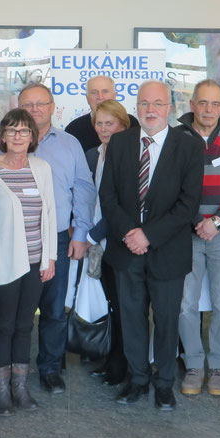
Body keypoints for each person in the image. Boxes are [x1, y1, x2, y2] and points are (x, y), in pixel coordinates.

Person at [99, 80, 204, 411]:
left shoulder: (188, 147)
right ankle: (138, 379)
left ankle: (163, 384)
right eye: (145, 103)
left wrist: (148, 235)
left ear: (170, 109)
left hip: (168, 251)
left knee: (167, 320)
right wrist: (130, 232)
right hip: (126, 248)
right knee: (130, 318)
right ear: (137, 107)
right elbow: (108, 195)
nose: (151, 110)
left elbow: (188, 205)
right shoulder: (119, 143)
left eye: (158, 104)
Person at [0, 109, 58, 415]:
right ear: (3, 136)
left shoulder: (42, 167)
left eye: (24, 131)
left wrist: (50, 258)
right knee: (3, 326)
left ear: (33, 137)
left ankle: (20, 388)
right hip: (4, 262)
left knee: (24, 325)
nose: (18, 137)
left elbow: (50, 215)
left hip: (35, 262)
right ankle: (1, 389)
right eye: (12, 131)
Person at [18, 82, 95, 393]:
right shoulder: (5, 142)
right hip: (15, 240)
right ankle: (13, 368)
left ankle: (50, 368)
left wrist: (81, 232)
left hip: (59, 238)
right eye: (29, 104)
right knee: (17, 310)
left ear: (53, 107)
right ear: (20, 106)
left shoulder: (69, 143)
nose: (35, 109)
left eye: (41, 103)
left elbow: (84, 188)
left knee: (53, 309)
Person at [176, 79, 220, 396]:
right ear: (192, 105)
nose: (209, 110)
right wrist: (196, 222)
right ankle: (193, 363)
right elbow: (173, 186)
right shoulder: (177, 136)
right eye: (203, 103)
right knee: (185, 303)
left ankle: (217, 366)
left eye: (215, 104)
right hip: (187, 232)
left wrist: (216, 221)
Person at [84, 99, 132, 386]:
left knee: (125, 306)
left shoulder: (131, 155)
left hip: (118, 241)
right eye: (99, 123)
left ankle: (124, 363)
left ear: (123, 126)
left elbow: (120, 205)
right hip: (99, 243)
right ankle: (112, 357)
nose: (103, 129)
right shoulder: (93, 155)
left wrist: (93, 235)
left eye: (109, 123)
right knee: (111, 305)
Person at [64, 75, 139, 152]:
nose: (100, 97)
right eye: (94, 92)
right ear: (87, 98)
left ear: (114, 96)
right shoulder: (73, 129)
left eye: (105, 91)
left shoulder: (131, 123)